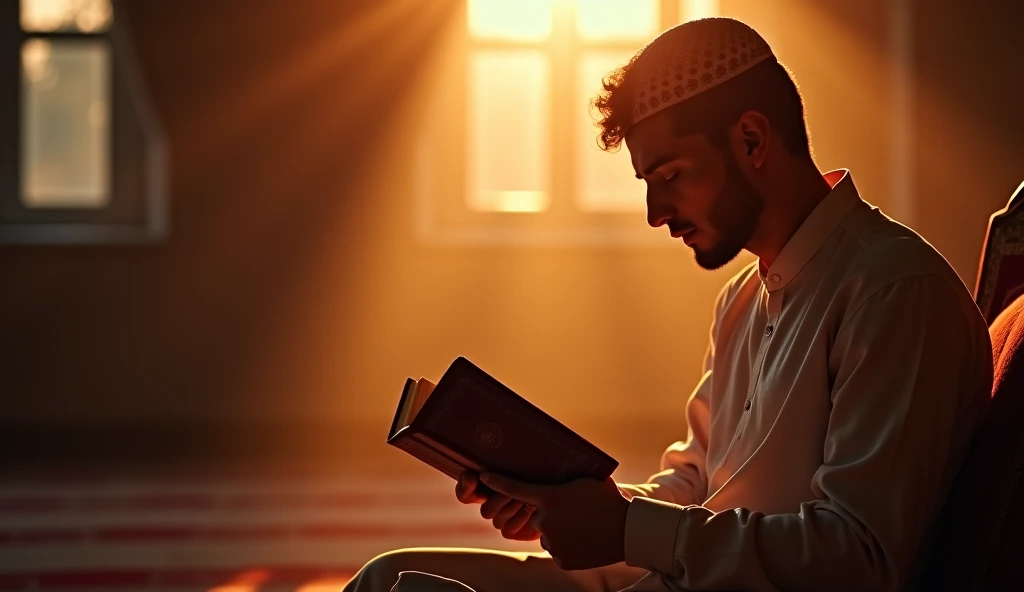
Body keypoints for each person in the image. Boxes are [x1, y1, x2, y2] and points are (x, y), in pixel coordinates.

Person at [344, 17, 993, 592]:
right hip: (672, 576)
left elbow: (860, 561)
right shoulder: (742, 299)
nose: (656, 214)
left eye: (671, 177)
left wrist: (628, 530)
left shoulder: (893, 291)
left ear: (752, 141)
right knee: (391, 577)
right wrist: (572, 506)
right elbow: (694, 488)